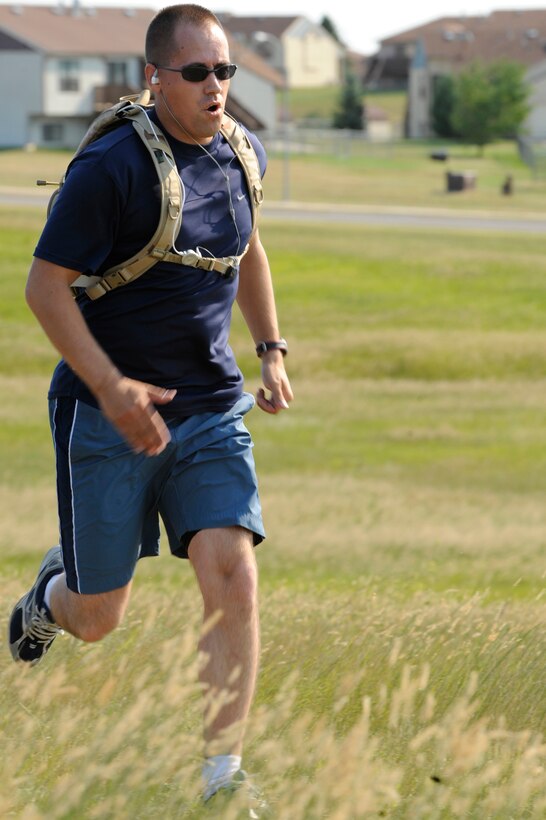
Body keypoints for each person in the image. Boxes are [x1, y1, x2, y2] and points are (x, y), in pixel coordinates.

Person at [8, 3, 293, 808]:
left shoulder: (242, 153)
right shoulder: (112, 169)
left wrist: (270, 349)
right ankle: (47, 597)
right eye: (197, 72)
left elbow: (249, 248)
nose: (216, 87)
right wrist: (111, 386)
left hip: (211, 410)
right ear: (155, 77)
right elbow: (44, 288)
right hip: (107, 418)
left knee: (233, 573)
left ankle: (223, 778)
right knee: (98, 617)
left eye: (224, 70)